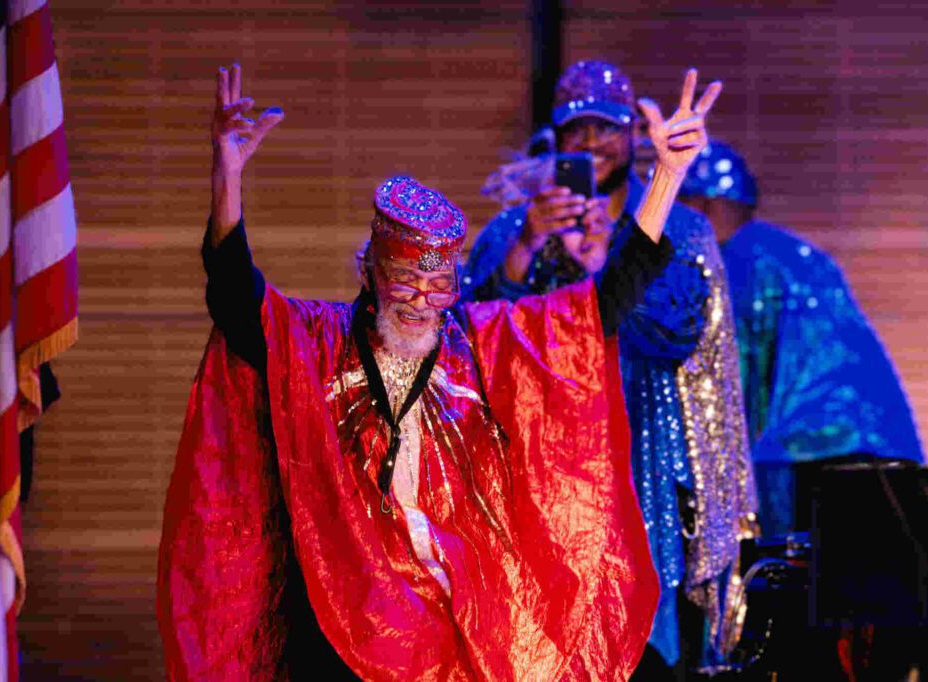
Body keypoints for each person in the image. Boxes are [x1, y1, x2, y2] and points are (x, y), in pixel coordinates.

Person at [156, 62, 719, 681]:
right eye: (405, 281)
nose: (422, 302)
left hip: (460, 604)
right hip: (343, 602)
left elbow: (602, 305)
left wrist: (666, 176)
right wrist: (227, 175)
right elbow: (237, 299)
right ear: (369, 271)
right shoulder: (317, 340)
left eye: (438, 285)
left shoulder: (478, 342)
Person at [463, 61, 757, 676]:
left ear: (633, 135)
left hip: (646, 458)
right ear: (555, 137)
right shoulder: (517, 227)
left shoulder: (682, 226)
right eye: (577, 129)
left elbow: (677, 332)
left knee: (646, 645)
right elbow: (471, 336)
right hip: (542, 475)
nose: (592, 142)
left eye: (608, 128)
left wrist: (603, 265)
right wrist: (526, 247)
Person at [678, 141, 925, 537]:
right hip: (883, 446)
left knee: (788, 567)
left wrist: (728, 479)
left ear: (703, 206)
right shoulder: (796, 254)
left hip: (804, 452)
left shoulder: (737, 263)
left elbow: (743, 380)